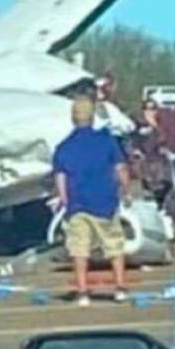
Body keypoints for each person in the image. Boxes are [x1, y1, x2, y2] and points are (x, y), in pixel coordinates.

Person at [54, 98, 132, 307]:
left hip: (77, 204)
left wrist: (64, 199)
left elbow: (60, 177)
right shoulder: (107, 141)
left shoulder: (64, 146)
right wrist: (126, 190)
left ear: (73, 117)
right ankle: (120, 287)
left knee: (79, 249)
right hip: (105, 201)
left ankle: (82, 292)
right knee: (114, 245)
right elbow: (120, 168)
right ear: (92, 117)